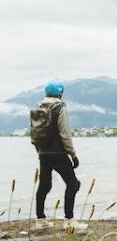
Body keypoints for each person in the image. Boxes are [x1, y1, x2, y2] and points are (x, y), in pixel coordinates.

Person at [31, 81, 81, 221]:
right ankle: (69, 220)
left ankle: (40, 220)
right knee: (73, 184)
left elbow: (35, 135)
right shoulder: (60, 108)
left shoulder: (38, 108)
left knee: (44, 185)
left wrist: (40, 152)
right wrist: (73, 155)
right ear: (60, 93)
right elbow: (65, 135)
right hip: (58, 153)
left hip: (43, 153)